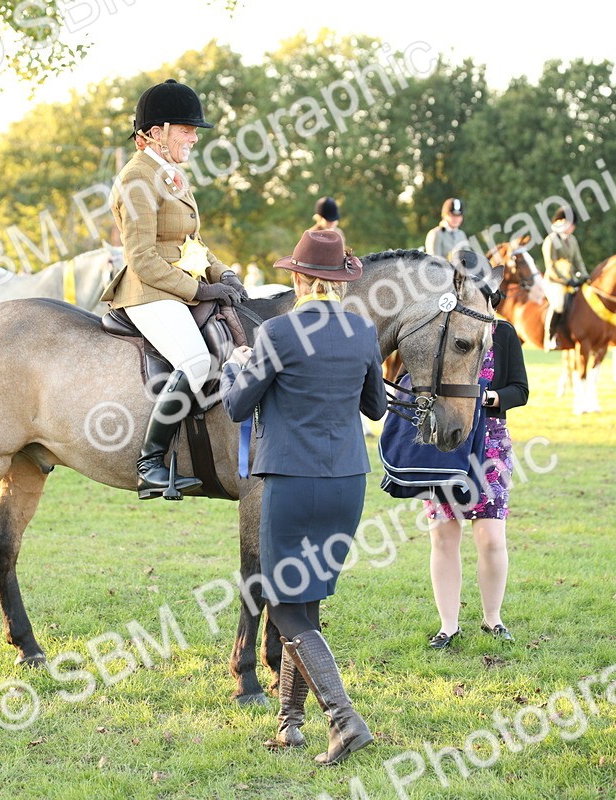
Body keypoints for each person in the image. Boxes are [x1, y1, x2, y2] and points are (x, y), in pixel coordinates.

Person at [220, 229, 386, 766]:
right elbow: (376, 409)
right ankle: (290, 725)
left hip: (292, 482)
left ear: (297, 278)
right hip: (346, 483)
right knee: (305, 603)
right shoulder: (361, 331)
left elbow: (240, 407)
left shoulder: (278, 332)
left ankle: (343, 719)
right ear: (339, 281)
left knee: (284, 604)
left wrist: (233, 367)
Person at [100, 78, 248, 500]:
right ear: (155, 132)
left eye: (194, 131)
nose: (194, 138)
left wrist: (223, 274)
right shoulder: (136, 178)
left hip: (177, 284)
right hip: (148, 290)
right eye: (186, 130)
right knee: (197, 360)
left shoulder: (171, 176)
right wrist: (200, 292)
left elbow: (191, 244)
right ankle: (149, 462)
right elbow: (143, 258)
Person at [423, 316, 528, 649]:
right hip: (446, 444)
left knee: (492, 539)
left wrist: (482, 399)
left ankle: (492, 619)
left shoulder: (504, 332)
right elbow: (411, 378)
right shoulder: (435, 328)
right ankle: (448, 627)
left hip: (491, 444)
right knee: (443, 537)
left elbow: (520, 391)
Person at [540, 205, 588, 350]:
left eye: (572, 224)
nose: (572, 227)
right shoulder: (550, 240)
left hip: (570, 279)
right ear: (560, 222)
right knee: (559, 303)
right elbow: (551, 266)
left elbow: (578, 260)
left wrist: (585, 275)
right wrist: (566, 280)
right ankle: (549, 337)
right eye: (569, 224)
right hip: (554, 281)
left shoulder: (572, 240)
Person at [424, 197, 469, 262]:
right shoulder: (435, 233)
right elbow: (434, 262)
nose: (456, 219)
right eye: (453, 215)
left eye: (459, 215)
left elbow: (468, 259)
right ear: (444, 215)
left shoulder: (462, 234)